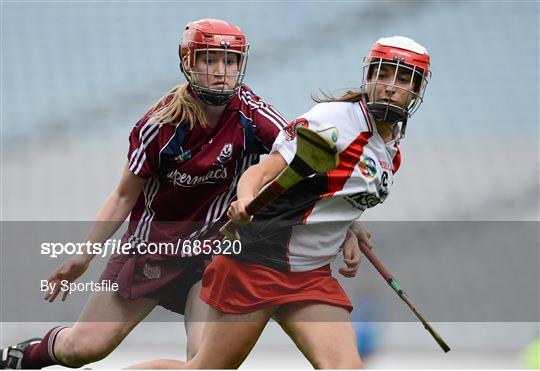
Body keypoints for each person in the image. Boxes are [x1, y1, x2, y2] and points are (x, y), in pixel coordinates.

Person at [0, 18, 366, 370]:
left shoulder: (253, 115)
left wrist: (347, 226)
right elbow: (123, 197)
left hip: (210, 258)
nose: (221, 70)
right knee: (82, 349)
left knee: (206, 364)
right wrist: (83, 256)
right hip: (150, 252)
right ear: (188, 63)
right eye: (210, 59)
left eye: (231, 60)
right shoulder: (157, 125)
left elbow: (300, 166)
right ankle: (23, 356)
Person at [126, 35, 431, 369]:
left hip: (310, 275)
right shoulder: (335, 121)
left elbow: (328, 193)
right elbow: (262, 173)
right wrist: (244, 201)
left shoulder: (390, 149)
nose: (389, 86)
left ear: (417, 89)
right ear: (369, 75)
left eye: (402, 79)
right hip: (258, 263)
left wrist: (348, 231)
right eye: (383, 74)